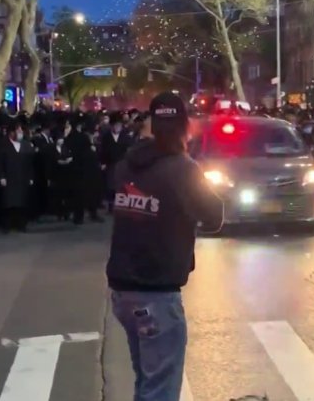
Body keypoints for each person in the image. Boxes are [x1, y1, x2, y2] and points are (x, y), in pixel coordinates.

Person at [107, 92, 223, 400]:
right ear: (185, 127)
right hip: (156, 293)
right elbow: (214, 216)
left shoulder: (126, 166)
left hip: (123, 291)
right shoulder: (183, 169)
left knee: (147, 380)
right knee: (159, 389)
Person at [0, 121, 34, 232]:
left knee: (22, 203)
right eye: (18, 130)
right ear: (11, 133)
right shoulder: (3, 145)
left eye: (21, 130)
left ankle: (21, 225)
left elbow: (30, 163)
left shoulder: (26, 145)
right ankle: (7, 225)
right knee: (8, 204)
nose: (20, 133)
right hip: (9, 178)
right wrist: (1, 177)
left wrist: (31, 177)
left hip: (22, 178)